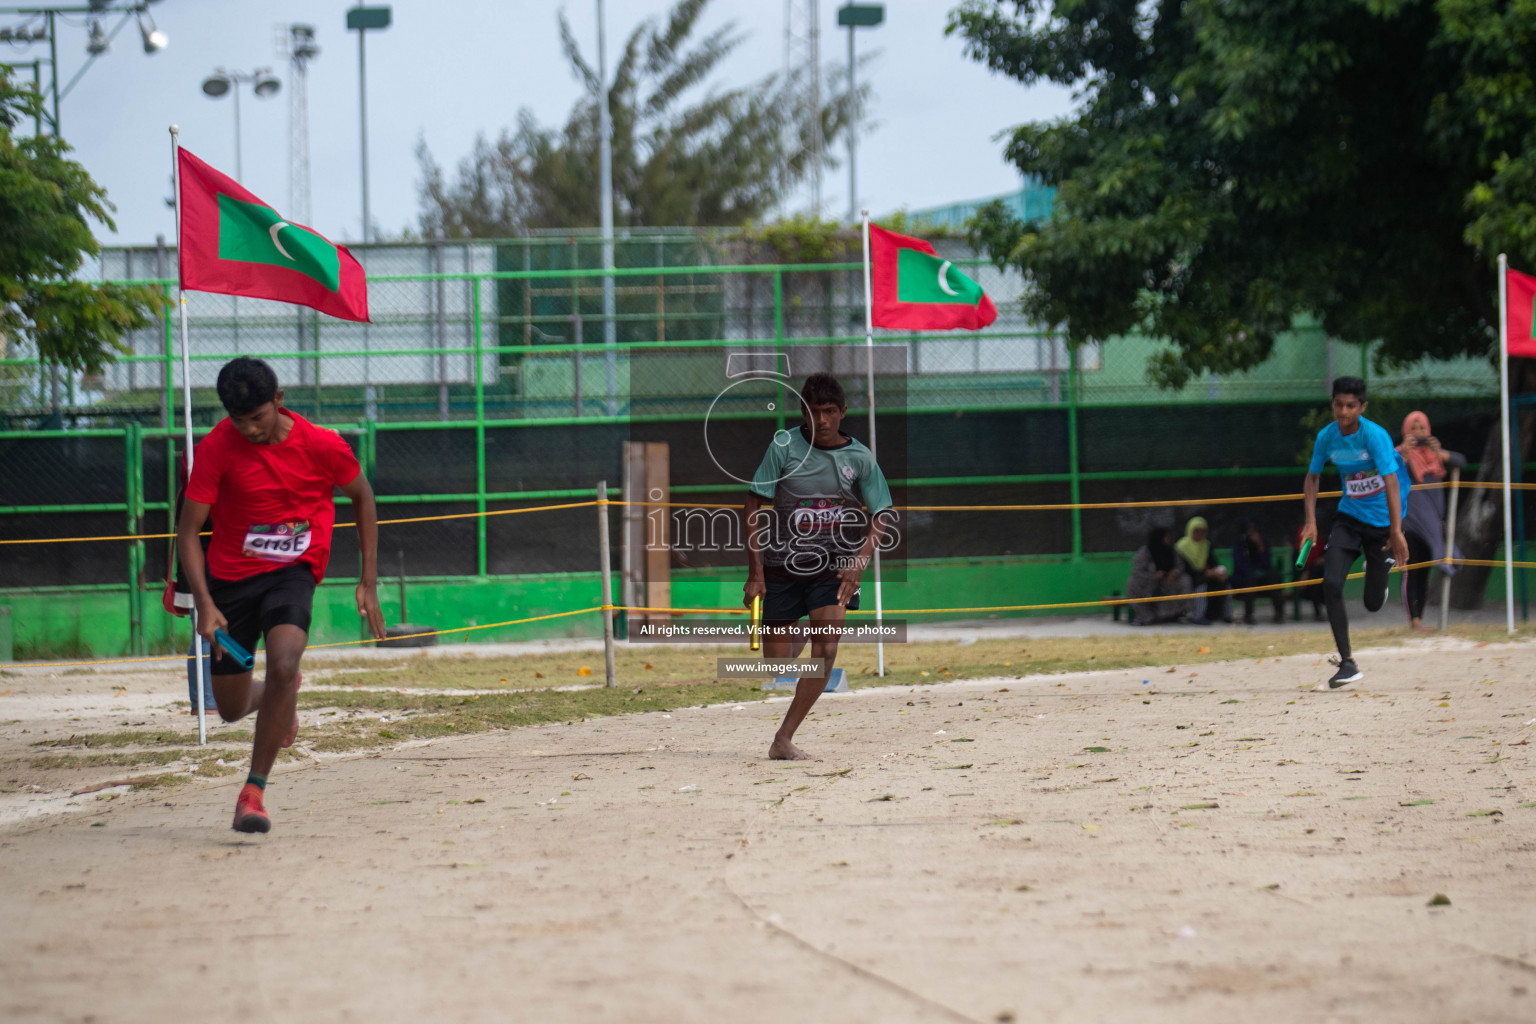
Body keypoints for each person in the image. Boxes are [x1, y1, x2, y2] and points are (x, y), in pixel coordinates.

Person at [177, 357, 386, 833]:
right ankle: (281, 701)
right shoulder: (217, 448)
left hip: (292, 571)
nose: (249, 429)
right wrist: (205, 605)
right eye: (239, 420)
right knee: (229, 708)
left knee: (285, 663)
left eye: (258, 417)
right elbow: (188, 531)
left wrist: (367, 581)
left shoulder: (321, 445)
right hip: (230, 581)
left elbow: (363, 496)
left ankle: (253, 792)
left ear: (279, 400)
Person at [743, 372, 893, 761]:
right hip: (782, 564)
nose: (822, 420)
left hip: (835, 564)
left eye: (830, 411)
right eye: (814, 411)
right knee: (777, 661)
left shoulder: (859, 457)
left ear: (843, 412)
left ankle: (783, 738)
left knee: (827, 644)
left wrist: (859, 564)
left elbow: (882, 514)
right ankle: (808, 624)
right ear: (803, 412)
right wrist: (756, 573)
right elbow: (752, 505)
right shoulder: (783, 446)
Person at [1300, 376, 1410, 690]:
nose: (1344, 412)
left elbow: (1391, 482)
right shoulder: (1327, 437)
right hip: (1349, 518)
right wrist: (1311, 521)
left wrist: (1396, 530)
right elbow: (1312, 478)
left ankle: (1380, 567)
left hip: (1382, 524)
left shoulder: (1375, 437)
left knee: (1373, 603)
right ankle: (1347, 663)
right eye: (1339, 405)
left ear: (1362, 407)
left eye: (1351, 406)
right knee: (1331, 583)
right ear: (1332, 404)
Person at [1397, 411, 1466, 631]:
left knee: (1425, 571)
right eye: (1413, 429)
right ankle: (1414, 621)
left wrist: (1440, 453)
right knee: (1412, 570)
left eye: (1422, 429)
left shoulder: (1435, 456)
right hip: (1410, 521)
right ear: (1406, 431)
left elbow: (1460, 461)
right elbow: (1384, 468)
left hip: (1433, 523)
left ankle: (1420, 619)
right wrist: (1404, 456)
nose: (1418, 433)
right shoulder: (1398, 454)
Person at [1125, 526, 1192, 625]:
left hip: (1168, 584)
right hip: (1149, 584)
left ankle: (1180, 614)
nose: (1169, 539)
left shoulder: (1172, 550)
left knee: (1185, 580)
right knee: (1132, 583)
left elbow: (1180, 565)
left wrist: (1174, 573)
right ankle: (1144, 617)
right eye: (1167, 536)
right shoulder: (1145, 552)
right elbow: (1137, 572)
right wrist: (1153, 576)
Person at [1176, 516, 1230, 624]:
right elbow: (1184, 568)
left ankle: (1226, 614)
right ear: (1190, 530)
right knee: (1201, 584)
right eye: (1196, 531)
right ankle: (1198, 615)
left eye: (1202, 531)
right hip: (1190, 577)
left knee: (1225, 582)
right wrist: (1204, 572)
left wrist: (1218, 572)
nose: (1199, 534)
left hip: (1206, 575)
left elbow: (1213, 563)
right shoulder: (1181, 546)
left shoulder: (1206, 545)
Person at [1231, 520, 1285, 625]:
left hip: (1263, 578)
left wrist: (1260, 546)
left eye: (1253, 529)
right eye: (1249, 529)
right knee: (1249, 580)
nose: (1252, 532)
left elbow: (1267, 564)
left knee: (1274, 577)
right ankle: (1248, 615)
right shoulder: (1239, 544)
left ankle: (1278, 613)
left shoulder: (1263, 542)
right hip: (1245, 578)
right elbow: (1239, 566)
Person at [1293, 521, 1326, 622]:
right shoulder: (1297, 552)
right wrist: (1306, 573)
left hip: (1320, 581)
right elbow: (1297, 574)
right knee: (1313, 580)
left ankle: (1321, 611)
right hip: (1305, 586)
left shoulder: (1320, 545)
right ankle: (1318, 612)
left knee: (1316, 574)